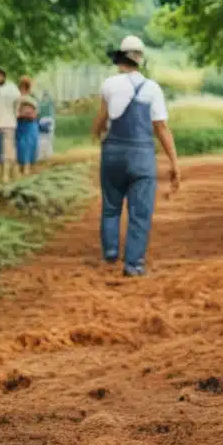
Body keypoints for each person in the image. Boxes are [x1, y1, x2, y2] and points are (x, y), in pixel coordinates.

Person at [92, 35, 181, 276]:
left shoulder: (109, 84)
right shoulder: (152, 89)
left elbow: (101, 120)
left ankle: (110, 253)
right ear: (140, 59)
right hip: (141, 155)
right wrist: (174, 162)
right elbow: (161, 128)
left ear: (120, 58)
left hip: (112, 153)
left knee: (111, 206)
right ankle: (133, 263)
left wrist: (96, 134)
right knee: (139, 211)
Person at [15, 76, 40, 175]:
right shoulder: (32, 98)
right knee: (29, 145)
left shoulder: (17, 98)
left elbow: (15, 112)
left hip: (21, 123)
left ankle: (23, 168)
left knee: (21, 146)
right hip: (30, 124)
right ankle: (28, 168)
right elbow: (36, 113)